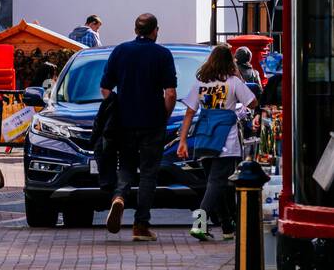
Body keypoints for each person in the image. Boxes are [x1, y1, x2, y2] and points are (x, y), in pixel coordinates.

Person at [100, 13, 177, 243]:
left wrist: (116, 107)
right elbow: (170, 93)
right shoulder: (163, 54)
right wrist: (164, 115)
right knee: (149, 173)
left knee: (126, 165)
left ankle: (119, 197)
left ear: (135, 30)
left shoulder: (120, 51)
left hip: (124, 121)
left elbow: (105, 89)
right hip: (152, 121)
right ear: (155, 31)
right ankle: (141, 225)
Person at [176, 43, 257, 242]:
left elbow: (189, 112)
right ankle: (199, 224)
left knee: (216, 185)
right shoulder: (234, 82)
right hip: (226, 139)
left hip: (204, 136)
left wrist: (183, 141)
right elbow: (253, 102)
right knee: (216, 183)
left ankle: (227, 226)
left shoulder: (200, 83)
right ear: (229, 62)